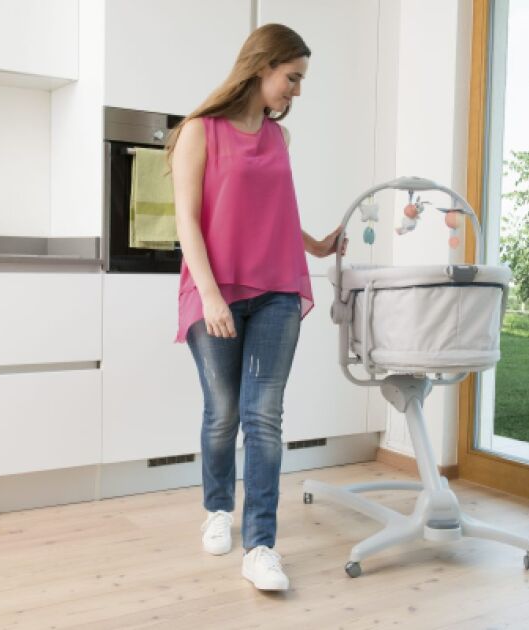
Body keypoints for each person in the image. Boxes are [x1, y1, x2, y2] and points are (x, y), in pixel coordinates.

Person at [165, 23, 347, 592]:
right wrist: (210, 294)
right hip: (214, 289)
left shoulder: (278, 138)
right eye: (292, 77)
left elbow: (273, 211)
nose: (297, 90)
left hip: (276, 291)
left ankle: (262, 545)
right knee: (223, 413)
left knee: (263, 416)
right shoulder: (199, 131)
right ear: (262, 65)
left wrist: (315, 246)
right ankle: (219, 508)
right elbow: (187, 220)